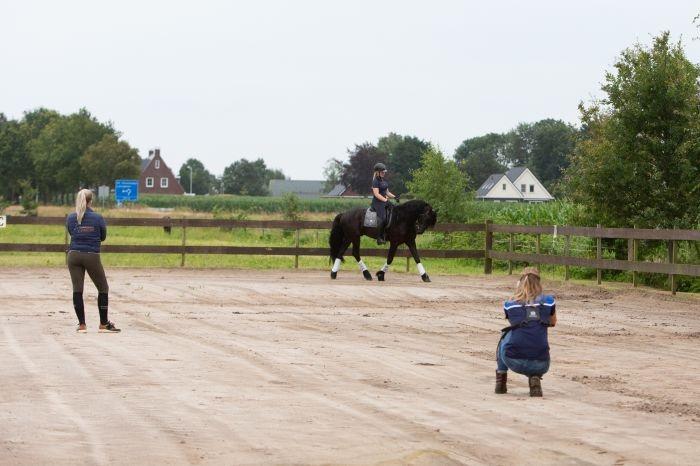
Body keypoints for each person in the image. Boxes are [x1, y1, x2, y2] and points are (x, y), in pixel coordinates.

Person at [495, 267, 556, 397]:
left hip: (513, 360)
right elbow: (553, 322)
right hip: (542, 363)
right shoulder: (549, 301)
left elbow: (512, 323)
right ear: (539, 283)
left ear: (520, 283)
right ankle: (534, 376)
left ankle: (501, 380)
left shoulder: (509, 304)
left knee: (504, 335)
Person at [66, 189, 120, 333]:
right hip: (91, 255)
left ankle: (82, 324)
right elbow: (102, 237)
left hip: (73, 255)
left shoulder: (71, 217)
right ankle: (103, 323)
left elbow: (72, 233)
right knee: (103, 288)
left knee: (77, 289)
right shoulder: (97, 218)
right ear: (91, 201)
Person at [370, 162, 396, 245]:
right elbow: (376, 194)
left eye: (384, 172)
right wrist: (385, 200)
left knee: (394, 213)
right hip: (377, 203)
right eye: (382, 172)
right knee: (383, 218)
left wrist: (395, 197)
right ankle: (379, 238)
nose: (384, 173)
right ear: (377, 172)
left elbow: (387, 192)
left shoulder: (383, 181)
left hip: (384, 201)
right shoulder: (375, 181)